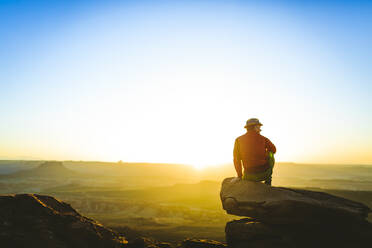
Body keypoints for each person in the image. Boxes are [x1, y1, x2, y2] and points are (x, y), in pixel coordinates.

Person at [233, 118, 276, 185]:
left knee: (237, 157)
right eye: (259, 127)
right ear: (255, 127)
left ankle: (242, 177)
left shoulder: (238, 140)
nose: (260, 129)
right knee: (271, 154)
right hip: (264, 174)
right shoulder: (263, 139)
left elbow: (236, 159)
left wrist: (239, 176)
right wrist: (265, 153)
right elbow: (274, 150)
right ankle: (268, 179)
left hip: (249, 176)